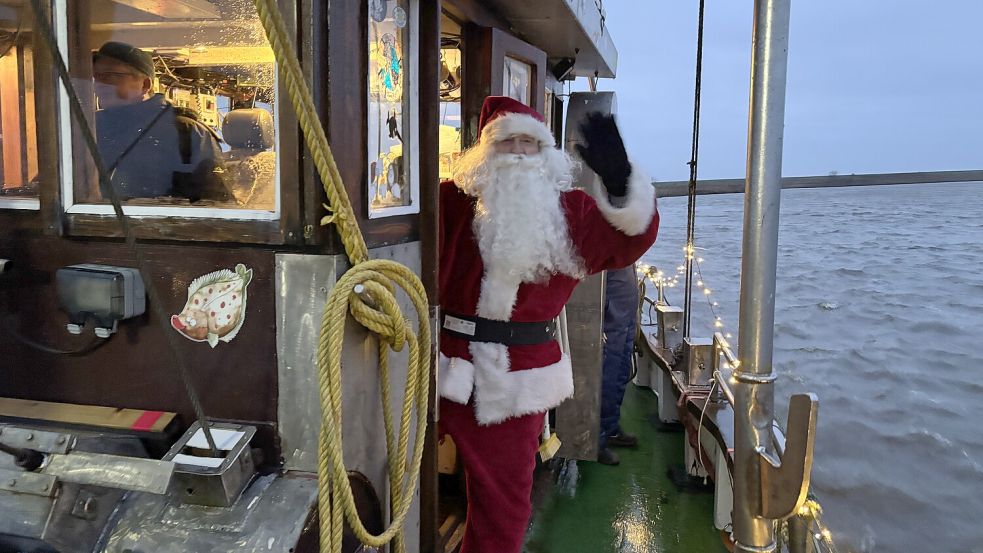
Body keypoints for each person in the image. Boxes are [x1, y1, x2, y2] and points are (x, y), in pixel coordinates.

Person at [437, 96, 659, 553]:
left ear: (546, 154)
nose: (518, 153)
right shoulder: (452, 202)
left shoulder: (571, 212)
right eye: (507, 142)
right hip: (442, 370)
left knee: (504, 510)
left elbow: (631, 238)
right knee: (400, 482)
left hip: (519, 380)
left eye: (529, 143)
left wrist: (620, 184)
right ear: (485, 151)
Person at [92, 41, 229, 202]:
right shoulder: (89, 127)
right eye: (96, 77)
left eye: (111, 76)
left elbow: (215, 203)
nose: (100, 85)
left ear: (145, 84)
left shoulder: (186, 131)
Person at [597, 264, 641, 466]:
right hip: (612, 305)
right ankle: (598, 438)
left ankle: (611, 426)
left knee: (622, 367)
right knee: (608, 372)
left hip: (626, 305)